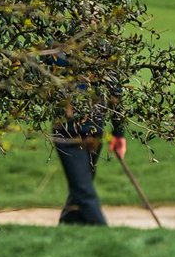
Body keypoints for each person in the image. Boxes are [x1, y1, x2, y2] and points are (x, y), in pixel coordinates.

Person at [51, 56, 127, 226]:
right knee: (84, 191)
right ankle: (105, 235)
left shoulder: (103, 50)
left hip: (94, 134)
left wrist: (118, 133)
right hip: (67, 134)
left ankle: (68, 224)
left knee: (80, 189)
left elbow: (115, 94)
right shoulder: (61, 50)